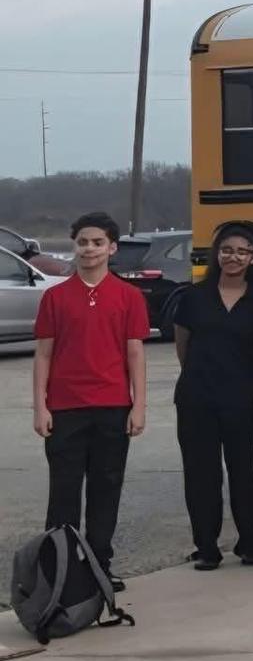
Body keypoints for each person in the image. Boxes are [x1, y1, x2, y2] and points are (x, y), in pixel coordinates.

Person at [34, 211, 148, 589]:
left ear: (112, 248)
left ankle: (100, 566)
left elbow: (135, 354)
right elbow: (44, 354)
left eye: (98, 242)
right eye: (83, 242)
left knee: (105, 489)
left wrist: (139, 405)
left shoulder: (129, 296)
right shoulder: (55, 297)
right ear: (75, 245)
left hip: (112, 406)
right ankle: (59, 572)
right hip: (65, 409)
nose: (89, 248)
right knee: (63, 493)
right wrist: (40, 406)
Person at [173, 220, 253, 571]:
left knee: (243, 470)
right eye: (227, 250)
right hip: (196, 396)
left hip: (238, 397)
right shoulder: (194, 296)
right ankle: (207, 547)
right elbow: (182, 347)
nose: (234, 257)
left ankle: (250, 542)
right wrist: (203, 375)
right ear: (217, 254)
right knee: (201, 473)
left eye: (242, 251)